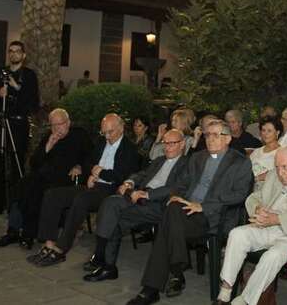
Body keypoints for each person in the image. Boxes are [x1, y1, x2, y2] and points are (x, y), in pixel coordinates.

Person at [126, 119, 252, 305]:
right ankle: (175, 268)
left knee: (167, 223)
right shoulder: (197, 157)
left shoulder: (240, 162)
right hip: (185, 211)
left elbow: (240, 195)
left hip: (212, 217)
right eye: (207, 135)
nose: (210, 139)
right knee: (172, 210)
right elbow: (181, 184)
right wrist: (175, 196)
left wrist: (203, 206)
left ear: (228, 139)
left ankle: (153, 287)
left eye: (216, 135)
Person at [214, 147, 287, 305]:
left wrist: (279, 219)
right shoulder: (274, 173)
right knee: (237, 234)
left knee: (273, 256)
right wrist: (257, 207)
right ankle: (225, 291)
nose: (280, 172)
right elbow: (255, 197)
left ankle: (245, 300)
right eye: (277, 167)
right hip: (268, 226)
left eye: (285, 167)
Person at [27, 113, 140, 266]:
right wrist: (91, 171)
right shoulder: (101, 142)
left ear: (121, 128)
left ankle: (61, 248)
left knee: (82, 199)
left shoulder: (129, 148)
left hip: (110, 190)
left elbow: (122, 176)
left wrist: (100, 173)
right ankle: (49, 244)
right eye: (104, 132)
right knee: (53, 195)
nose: (107, 136)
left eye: (110, 132)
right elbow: (88, 161)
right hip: (93, 185)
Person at [82, 129, 189, 282]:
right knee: (111, 210)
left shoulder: (188, 163)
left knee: (111, 208)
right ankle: (108, 266)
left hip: (160, 204)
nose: (167, 147)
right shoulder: (159, 160)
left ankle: (102, 258)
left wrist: (148, 195)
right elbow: (141, 174)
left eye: (172, 143)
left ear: (182, 144)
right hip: (139, 198)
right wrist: (129, 182)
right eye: (165, 143)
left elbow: (178, 187)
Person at [0, 108, 91, 249]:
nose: (57, 128)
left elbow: (90, 156)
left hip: (65, 178)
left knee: (36, 192)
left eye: (60, 124)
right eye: (53, 125)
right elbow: (34, 163)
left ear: (68, 123)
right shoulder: (48, 137)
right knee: (21, 187)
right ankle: (13, 231)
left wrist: (80, 166)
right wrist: (48, 146)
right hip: (43, 175)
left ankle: (28, 234)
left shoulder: (79, 135)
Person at [0, 40, 40, 218]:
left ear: (23, 55)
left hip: (18, 125)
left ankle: (15, 208)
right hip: (0, 123)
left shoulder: (29, 75)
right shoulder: (0, 72)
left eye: (17, 51)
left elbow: (33, 103)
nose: (13, 54)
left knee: (17, 166)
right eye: (11, 51)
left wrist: (16, 88)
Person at [249, 116, 282, 191]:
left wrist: (258, 178)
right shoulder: (256, 152)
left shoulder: (282, 153)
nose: (265, 134)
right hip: (250, 189)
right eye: (263, 130)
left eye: (269, 131)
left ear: (277, 132)